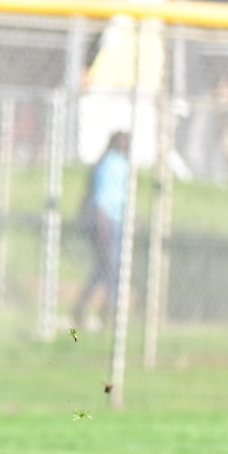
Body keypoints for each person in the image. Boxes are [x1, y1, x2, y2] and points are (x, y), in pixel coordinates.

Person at [72, 131, 131, 331]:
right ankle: (107, 311)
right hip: (106, 223)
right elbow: (102, 197)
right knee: (110, 269)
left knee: (105, 270)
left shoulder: (123, 164)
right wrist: (102, 223)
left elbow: (121, 196)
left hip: (117, 221)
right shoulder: (108, 164)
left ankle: (91, 308)